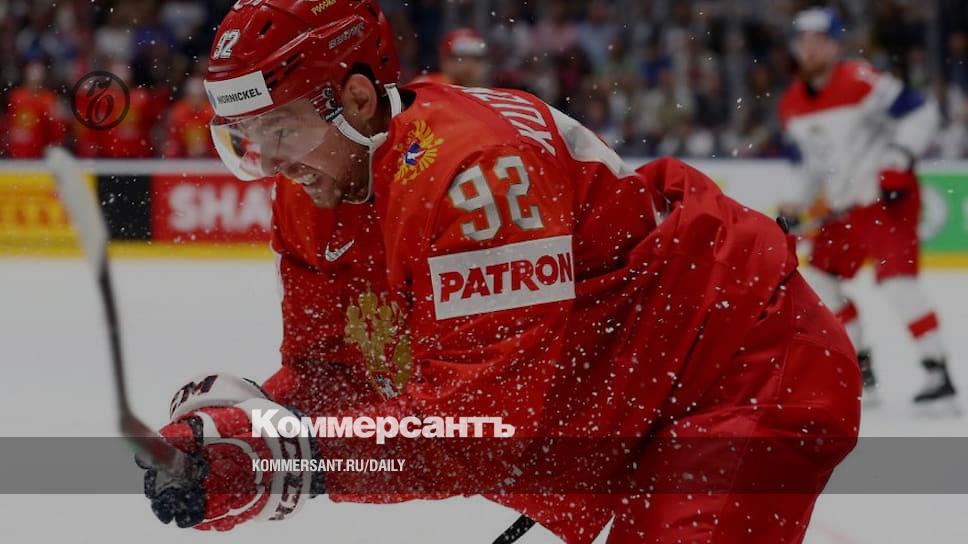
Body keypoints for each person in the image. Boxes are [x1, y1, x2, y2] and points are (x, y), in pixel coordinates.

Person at [136, 2, 861, 542]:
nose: (270, 164)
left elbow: (476, 433)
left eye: (281, 129)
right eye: (247, 139)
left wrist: (284, 456)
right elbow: (338, 373)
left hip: (733, 369)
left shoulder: (476, 174)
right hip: (622, 401)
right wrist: (239, 428)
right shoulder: (310, 192)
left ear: (355, 99)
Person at [778, 7, 956, 406]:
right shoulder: (791, 104)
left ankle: (937, 371)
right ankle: (860, 365)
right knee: (819, 278)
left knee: (897, 283)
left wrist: (897, 157)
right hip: (843, 208)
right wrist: (798, 203)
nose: (810, 49)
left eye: (818, 40)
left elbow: (921, 112)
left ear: (835, 46)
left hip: (884, 199)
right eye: (803, 41)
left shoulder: (860, 80)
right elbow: (810, 166)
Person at [412, 28, 489, 87]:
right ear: (445, 61)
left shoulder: (486, 95)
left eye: (476, 59)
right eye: (462, 57)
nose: (469, 64)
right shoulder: (426, 86)